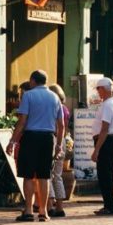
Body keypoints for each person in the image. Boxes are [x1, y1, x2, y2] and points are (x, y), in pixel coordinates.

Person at [6, 70, 64, 222]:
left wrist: (13, 141)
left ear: (32, 81)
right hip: (48, 138)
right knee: (44, 176)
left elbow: (22, 121)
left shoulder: (28, 95)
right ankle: (44, 211)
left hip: (31, 137)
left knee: (28, 175)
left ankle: (28, 210)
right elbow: (61, 124)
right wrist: (58, 145)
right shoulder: (55, 97)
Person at [90, 77, 113, 216]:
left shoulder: (108, 104)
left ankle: (109, 206)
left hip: (105, 141)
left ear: (103, 89)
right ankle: (109, 205)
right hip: (106, 141)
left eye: (98, 89)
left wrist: (96, 149)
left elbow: (104, 128)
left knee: (105, 175)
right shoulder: (110, 103)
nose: (98, 92)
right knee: (107, 174)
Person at [45, 84, 71, 218]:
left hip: (53, 139)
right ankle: (60, 207)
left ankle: (49, 205)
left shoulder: (53, 107)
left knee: (47, 174)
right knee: (58, 175)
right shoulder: (65, 109)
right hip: (63, 141)